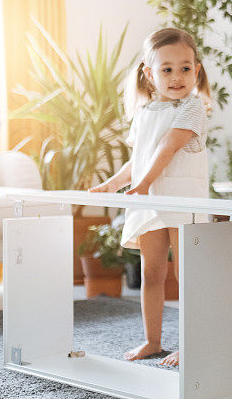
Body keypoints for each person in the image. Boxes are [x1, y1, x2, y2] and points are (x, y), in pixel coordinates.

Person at [89, 27, 210, 367]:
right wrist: (114, 183)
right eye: (166, 69)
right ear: (149, 73)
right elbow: (139, 157)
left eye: (185, 68)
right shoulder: (144, 113)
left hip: (181, 199)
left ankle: (192, 343)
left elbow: (168, 148)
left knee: (186, 276)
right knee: (152, 273)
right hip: (150, 201)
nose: (176, 77)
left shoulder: (194, 106)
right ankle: (152, 340)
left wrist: (141, 185)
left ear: (196, 70)